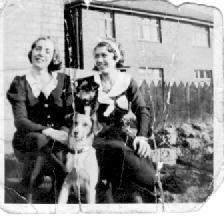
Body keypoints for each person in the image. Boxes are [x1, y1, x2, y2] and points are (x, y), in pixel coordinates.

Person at [7, 36, 73, 198]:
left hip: (59, 139)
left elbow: (69, 114)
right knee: (41, 140)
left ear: (53, 57)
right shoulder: (20, 83)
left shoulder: (64, 81)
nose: (41, 53)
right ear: (32, 52)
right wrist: (49, 131)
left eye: (47, 51)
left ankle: (42, 189)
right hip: (27, 140)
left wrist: (63, 132)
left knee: (57, 149)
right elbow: (20, 121)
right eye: (38, 48)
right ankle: (57, 179)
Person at [92, 39, 156, 202]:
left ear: (115, 57)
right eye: (96, 56)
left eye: (104, 55)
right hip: (97, 138)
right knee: (119, 151)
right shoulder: (90, 83)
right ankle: (109, 188)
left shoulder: (127, 82)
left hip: (120, 135)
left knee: (147, 171)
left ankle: (127, 188)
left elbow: (142, 110)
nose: (99, 60)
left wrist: (142, 137)